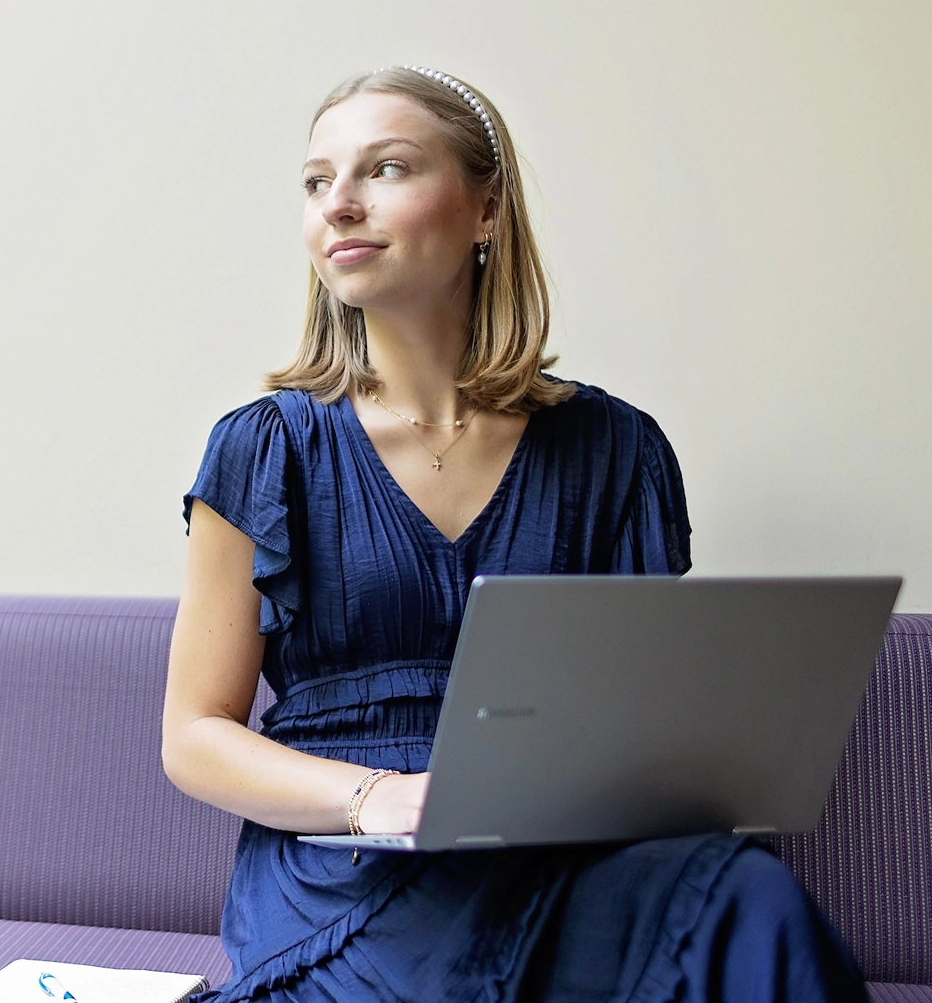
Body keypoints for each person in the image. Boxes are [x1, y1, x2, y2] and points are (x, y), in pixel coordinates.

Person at [162, 67, 865, 1002]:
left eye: (388, 168)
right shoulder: (265, 448)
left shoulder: (619, 449)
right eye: (317, 181)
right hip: (348, 872)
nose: (341, 205)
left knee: (747, 899)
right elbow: (194, 735)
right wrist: (373, 799)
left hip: (560, 855)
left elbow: (642, 724)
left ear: (485, 210)